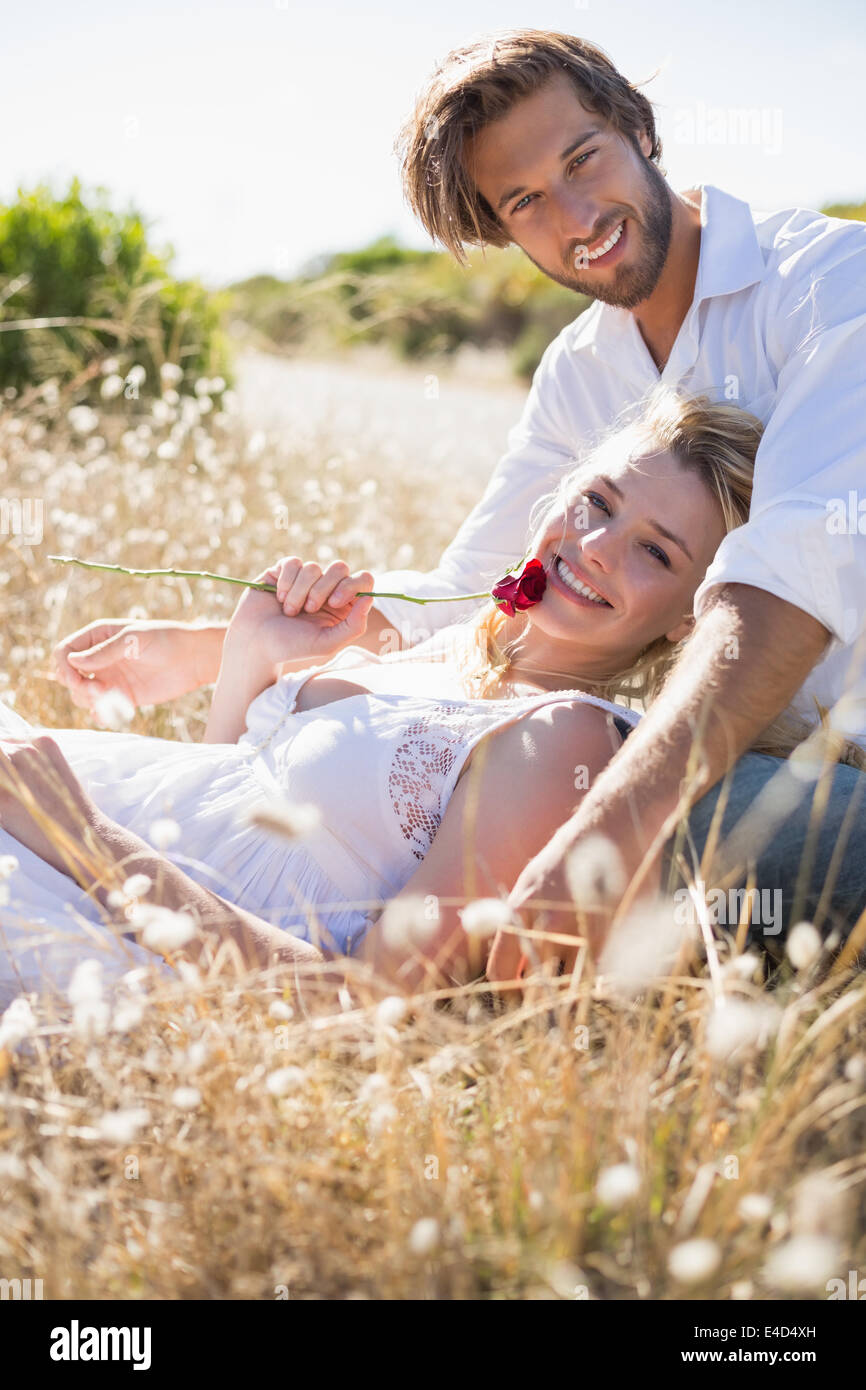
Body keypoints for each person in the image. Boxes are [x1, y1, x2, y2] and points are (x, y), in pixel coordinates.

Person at [52, 30, 866, 975]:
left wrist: (604, 827)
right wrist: (206, 650)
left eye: (582, 159)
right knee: (483, 782)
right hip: (689, 743)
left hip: (815, 769)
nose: (574, 215)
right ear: (502, 229)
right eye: (525, 201)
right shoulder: (581, 370)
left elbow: (796, 579)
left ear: (640, 130)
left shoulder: (829, 283)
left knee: (581, 804)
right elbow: (470, 589)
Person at [3, 386, 805, 1003]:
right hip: (73, 857)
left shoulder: (563, 740)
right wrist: (249, 657)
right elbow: (220, 835)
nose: (592, 548)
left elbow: (368, 1008)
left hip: (93, 924)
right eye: (597, 502)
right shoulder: (439, 648)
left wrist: (80, 839)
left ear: (687, 623)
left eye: (654, 553)